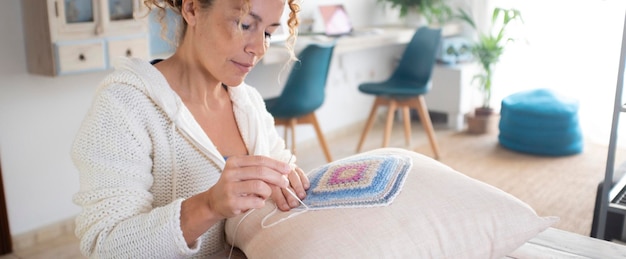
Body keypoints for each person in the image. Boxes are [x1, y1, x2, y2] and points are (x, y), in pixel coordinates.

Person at [70, 0, 308, 257]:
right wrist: (207, 206)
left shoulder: (248, 103)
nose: (259, 48)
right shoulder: (124, 106)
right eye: (245, 24)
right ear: (192, 9)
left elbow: (282, 169)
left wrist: (289, 182)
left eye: (268, 33)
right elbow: (103, 247)